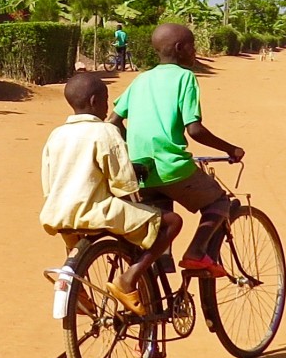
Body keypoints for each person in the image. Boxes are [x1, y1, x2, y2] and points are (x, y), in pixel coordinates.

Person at [39, 72, 182, 316]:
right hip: (95, 213)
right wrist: (137, 186)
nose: (108, 106)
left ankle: (77, 284)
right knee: (171, 222)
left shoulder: (56, 135)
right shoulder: (105, 132)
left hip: (58, 214)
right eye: (106, 99)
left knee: (76, 238)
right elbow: (123, 183)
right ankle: (129, 279)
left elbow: (49, 182)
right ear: (95, 101)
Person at [109, 23, 245, 278]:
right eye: (192, 46)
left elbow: (113, 122)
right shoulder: (185, 78)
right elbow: (194, 130)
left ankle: (158, 279)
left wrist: (134, 146)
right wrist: (231, 148)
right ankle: (196, 251)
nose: (195, 51)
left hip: (139, 171)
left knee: (160, 221)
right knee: (219, 201)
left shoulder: (141, 79)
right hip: (172, 167)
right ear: (180, 49)